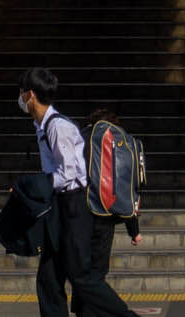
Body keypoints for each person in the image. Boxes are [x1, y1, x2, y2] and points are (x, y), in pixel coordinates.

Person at [17, 68, 135, 317]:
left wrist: (34, 185)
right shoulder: (44, 126)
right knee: (48, 277)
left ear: (30, 95)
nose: (20, 99)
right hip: (59, 204)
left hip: (73, 206)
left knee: (82, 277)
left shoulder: (58, 127)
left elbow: (68, 174)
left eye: (21, 93)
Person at [73, 109, 141, 317]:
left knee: (82, 274)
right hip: (106, 214)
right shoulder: (120, 142)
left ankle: (84, 313)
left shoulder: (81, 138)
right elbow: (126, 187)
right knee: (97, 273)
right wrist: (134, 230)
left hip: (80, 213)